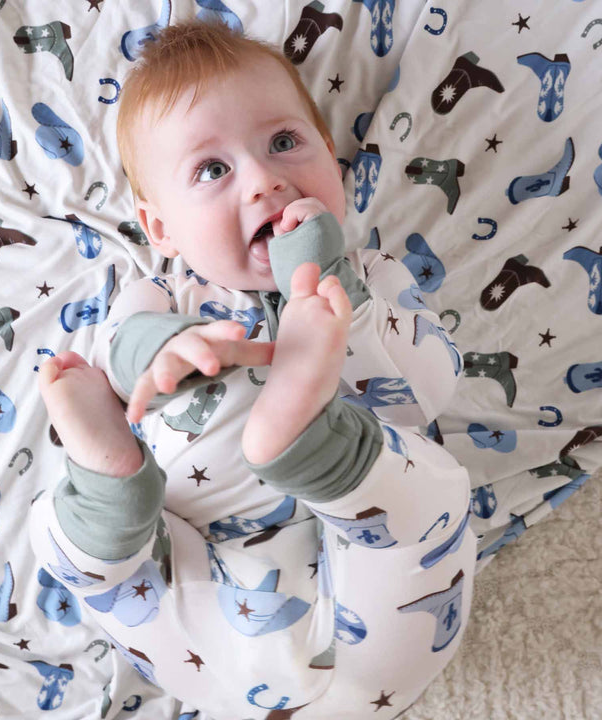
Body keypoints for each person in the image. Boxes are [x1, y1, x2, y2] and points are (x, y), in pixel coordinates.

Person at [30, 20, 476, 720]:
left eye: (285, 143)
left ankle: (294, 445)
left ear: (329, 158)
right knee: (438, 512)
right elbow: (121, 342)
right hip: (207, 546)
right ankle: (109, 498)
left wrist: (333, 288)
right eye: (213, 170)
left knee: (429, 504)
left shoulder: (372, 279)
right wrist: (163, 349)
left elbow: (427, 390)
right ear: (163, 230)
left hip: (254, 613)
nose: (265, 181)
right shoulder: (159, 293)